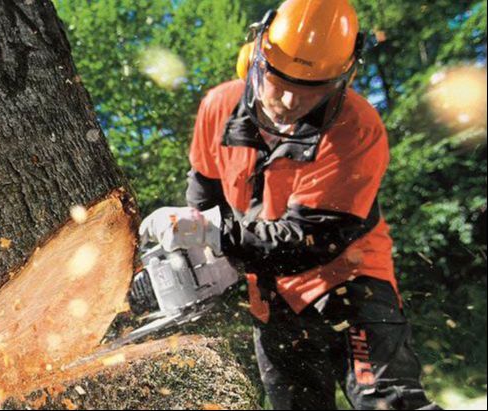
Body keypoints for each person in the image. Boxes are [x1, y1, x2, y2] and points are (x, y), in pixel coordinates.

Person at [138, 0, 441, 409]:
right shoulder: (219, 108)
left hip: (350, 283)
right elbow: (205, 198)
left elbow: (309, 240)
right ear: (257, 56)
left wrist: (215, 232)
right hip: (270, 296)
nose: (289, 99)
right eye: (278, 80)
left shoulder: (356, 128)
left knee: (388, 402)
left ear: (341, 79)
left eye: (310, 89)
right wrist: (199, 247)